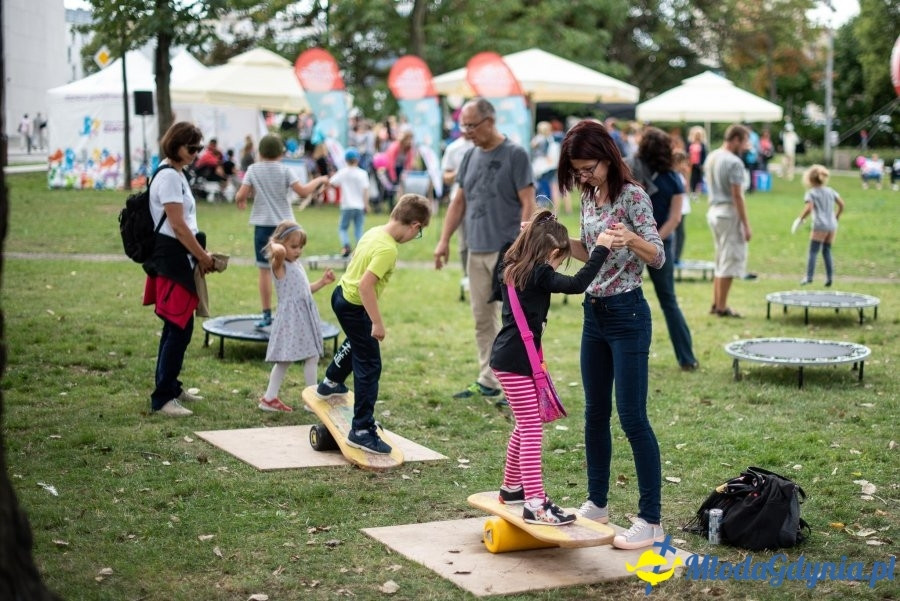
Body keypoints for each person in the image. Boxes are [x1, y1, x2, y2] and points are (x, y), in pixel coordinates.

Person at [557, 119, 666, 550]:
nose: (583, 176)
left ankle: (651, 519)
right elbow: (590, 249)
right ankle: (597, 503)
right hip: (594, 314)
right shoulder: (589, 195)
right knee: (594, 413)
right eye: (577, 170)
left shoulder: (633, 196)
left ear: (607, 155)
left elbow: (657, 255)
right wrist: (560, 240)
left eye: (588, 168)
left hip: (628, 315)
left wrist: (631, 240)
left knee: (632, 417)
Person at [492, 209, 613, 525]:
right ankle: (535, 503)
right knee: (531, 426)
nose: (557, 266)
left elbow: (516, 248)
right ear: (553, 254)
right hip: (516, 361)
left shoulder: (513, 265)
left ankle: (512, 488)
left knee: (525, 422)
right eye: (559, 260)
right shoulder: (539, 272)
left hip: (511, 358)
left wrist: (531, 229)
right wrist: (600, 248)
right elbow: (577, 284)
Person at [434, 97, 537, 400]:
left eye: (471, 125)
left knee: (513, 320)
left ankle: (517, 385)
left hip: (507, 250)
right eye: (462, 125)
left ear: (489, 122)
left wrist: (523, 246)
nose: (466, 132)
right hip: (474, 248)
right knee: (482, 317)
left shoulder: (515, 155)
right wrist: (443, 241)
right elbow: (459, 202)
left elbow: (528, 202)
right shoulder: (468, 156)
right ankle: (489, 380)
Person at [315, 194, 432, 454]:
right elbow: (366, 285)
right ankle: (361, 430)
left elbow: (356, 260)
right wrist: (377, 323)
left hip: (340, 295)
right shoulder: (388, 249)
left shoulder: (374, 232)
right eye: (419, 232)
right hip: (356, 306)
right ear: (415, 225)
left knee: (357, 342)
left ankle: (331, 382)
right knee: (369, 365)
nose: (417, 236)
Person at [144, 122, 218, 417]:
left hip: (180, 257)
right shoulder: (170, 178)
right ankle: (162, 398)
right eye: (192, 148)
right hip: (174, 258)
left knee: (178, 328)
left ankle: (171, 387)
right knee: (177, 327)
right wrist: (202, 256)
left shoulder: (176, 173)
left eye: (199, 148)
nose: (196, 153)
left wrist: (199, 255)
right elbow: (178, 226)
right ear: (175, 144)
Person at [235, 134, 330, 328]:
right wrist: (319, 180)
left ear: (260, 153)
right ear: (281, 153)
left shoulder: (253, 170)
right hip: (286, 227)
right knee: (290, 269)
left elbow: (241, 195)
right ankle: (290, 311)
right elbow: (303, 192)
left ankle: (266, 314)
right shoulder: (285, 170)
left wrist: (241, 201)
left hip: (263, 226)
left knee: (264, 271)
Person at [628, 128, 699, 371]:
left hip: (630, 244)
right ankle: (687, 358)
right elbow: (675, 218)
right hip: (660, 246)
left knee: (624, 300)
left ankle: (623, 356)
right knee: (669, 301)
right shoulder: (674, 179)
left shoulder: (630, 172)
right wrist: (654, 242)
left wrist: (642, 243)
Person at [258, 221, 336, 412]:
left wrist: (323, 282)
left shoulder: (295, 264)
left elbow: (304, 291)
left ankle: (269, 398)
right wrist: (275, 242)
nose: (298, 250)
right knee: (311, 356)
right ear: (281, 244)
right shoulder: (279, 264)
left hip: (303, 315)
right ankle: (312, 400)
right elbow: (278, 251)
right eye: (293, 246)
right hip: (292, 318)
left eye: (301, 246)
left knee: (290, 359)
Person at [704, 124, 752, 318]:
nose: (746, 146)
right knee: (729, 261)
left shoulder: (712, 156)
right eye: (744, 141)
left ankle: (716, 303)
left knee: (720, 258)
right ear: (736, 139)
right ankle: (722, 307)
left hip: (714, 211)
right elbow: (737, 195)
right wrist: (746, 224)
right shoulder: (734, 162)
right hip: (728, 212)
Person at [795, 165, 845, 287]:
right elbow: (842, 205)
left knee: (813, 251)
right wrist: (836, 216)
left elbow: (809, 208)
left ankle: (809, 277)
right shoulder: (830, 191)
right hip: (832, 226)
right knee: (827, 251)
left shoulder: (811, 193)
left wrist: (800, 219)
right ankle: (829, 278)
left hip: (820, 226)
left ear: (810, 180)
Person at [441, 134, 474, 275]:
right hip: (460, 199)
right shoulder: (453, 148)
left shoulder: (485, 145)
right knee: (464, 243)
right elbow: (446, 177)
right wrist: (459, 172)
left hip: (484, 200)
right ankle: (467, 276)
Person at [330, 148, 370, 257]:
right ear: (357, 160)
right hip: (359, 205)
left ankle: (346, 245)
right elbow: (365, 190)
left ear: (346, 160)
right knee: (359, 228)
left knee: (343, 228)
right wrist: (366, 204)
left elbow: (332, 182)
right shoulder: (362, 173)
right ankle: (360, 250)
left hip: (346, 205)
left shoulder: (342, 172)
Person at [672, 150, 691, 265]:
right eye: (683, 163)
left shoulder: (681, 175)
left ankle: (677, 256)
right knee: (677, 233)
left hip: (683, 207)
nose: (685, 166)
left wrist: (687, 175)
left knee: (681, 234)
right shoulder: (674, 176)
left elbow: (687, 190)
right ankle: (674, 256)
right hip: (678, 208)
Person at [687, 126, 707, 197]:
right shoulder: (690, 143)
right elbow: (687, 153)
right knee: (691, 178)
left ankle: (697, 192)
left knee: (698, 178)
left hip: (699, 164)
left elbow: (704, 155)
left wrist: (703, 164)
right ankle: (691, 191)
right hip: (690, 164)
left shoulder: (702, 145)